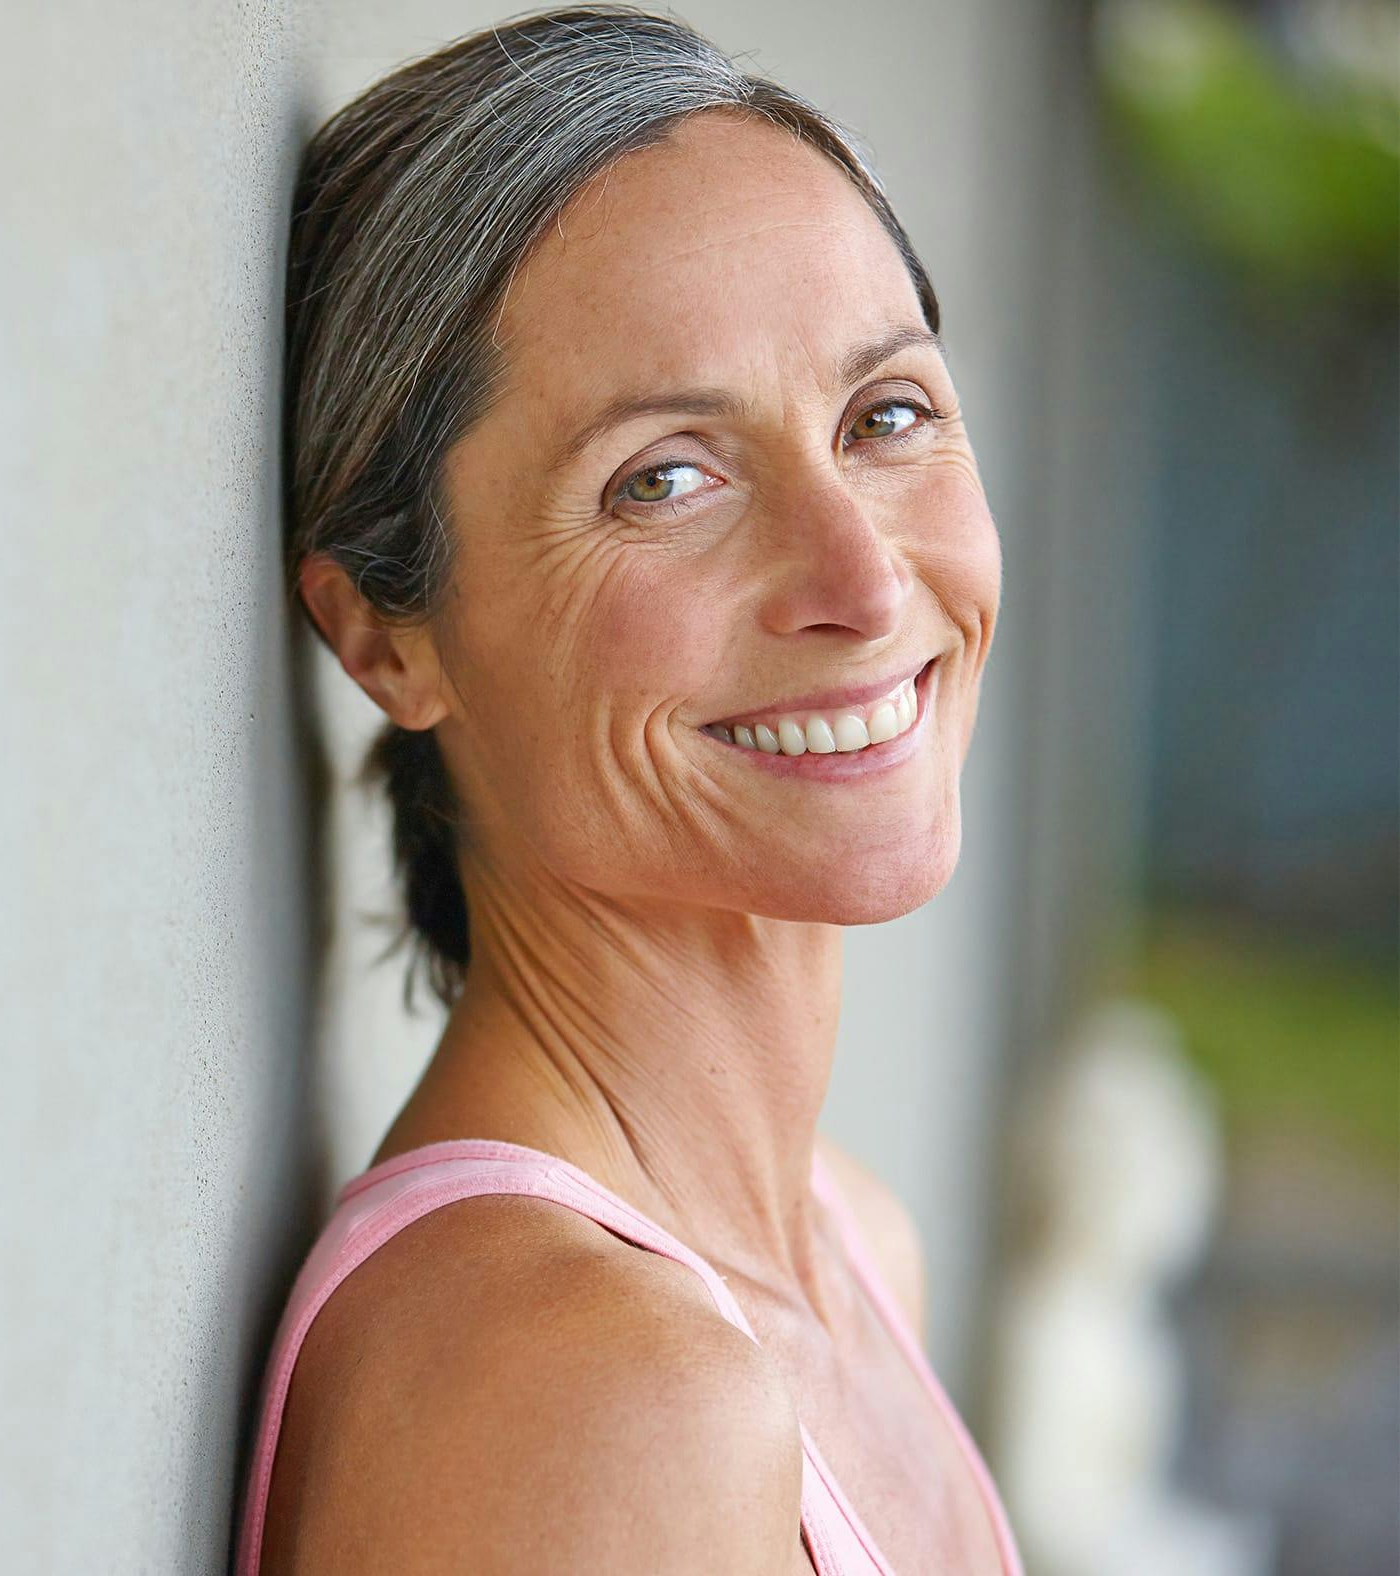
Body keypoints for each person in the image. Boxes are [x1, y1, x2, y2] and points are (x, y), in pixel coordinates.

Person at [237, 6, 1020, 1572]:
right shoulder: (594, 1392)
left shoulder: (852, 1247)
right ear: (384, 641)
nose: (862, 581)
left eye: (888, 416)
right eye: (664, 478)